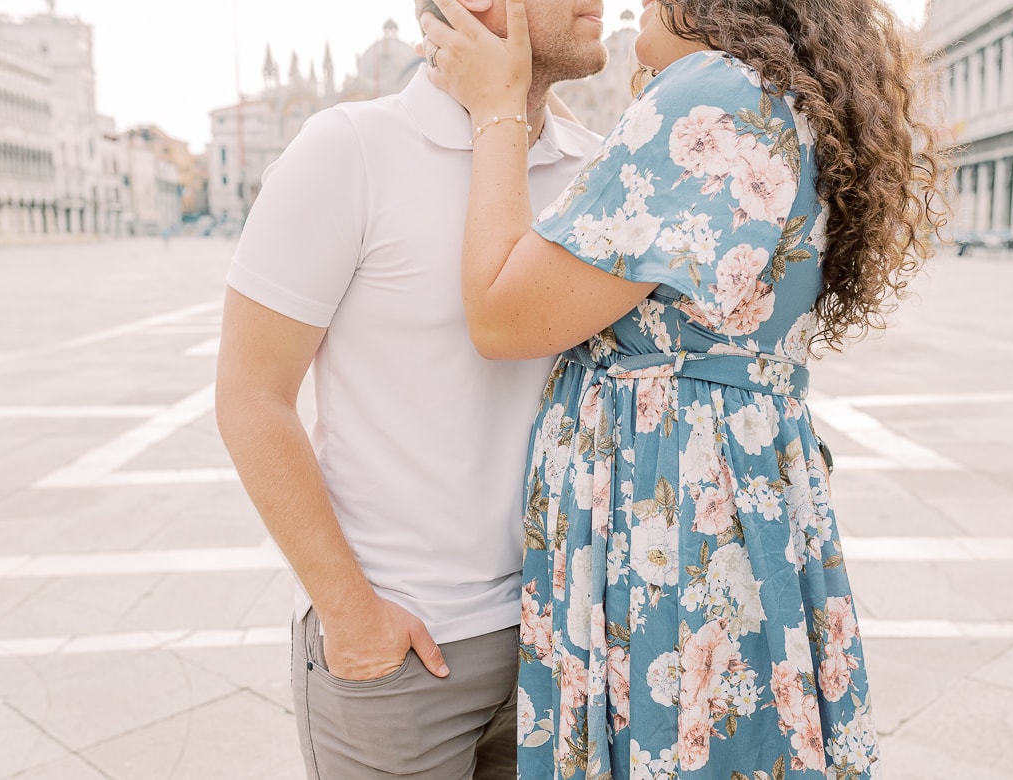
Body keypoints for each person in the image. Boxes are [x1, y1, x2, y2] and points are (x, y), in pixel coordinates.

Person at [421, 0, 949, 776]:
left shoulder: (709, 93)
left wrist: (498, 109)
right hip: (732, 488)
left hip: (670, 507)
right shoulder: (772, 97)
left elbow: (504, 318)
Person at [213, 2, 611, 777]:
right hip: (402, 657)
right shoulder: (349, 150)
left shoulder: (598, 171)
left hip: (561, 643)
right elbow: (250, 394)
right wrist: (348, 612)